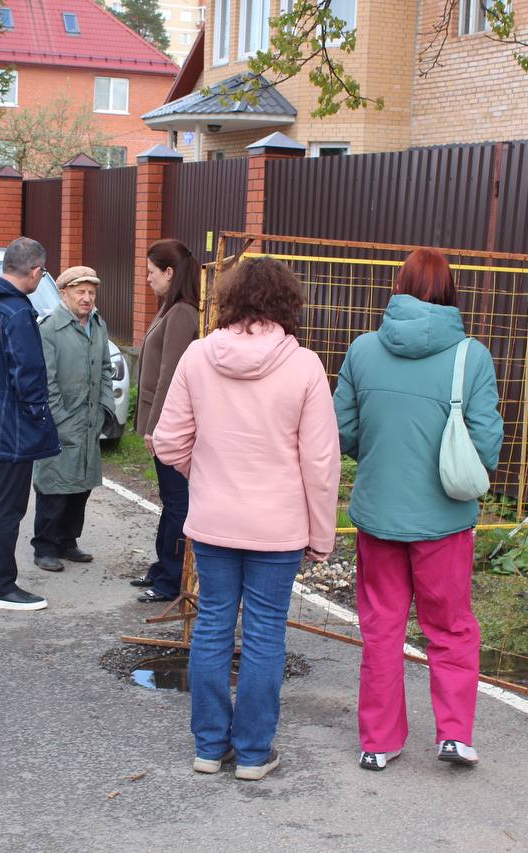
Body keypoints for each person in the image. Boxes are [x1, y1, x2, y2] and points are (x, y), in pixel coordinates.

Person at [154, 256, 340, 782]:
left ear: (229, 301)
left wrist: (207, 473)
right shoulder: (304, 365)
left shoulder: (196, 356)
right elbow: (320, 463)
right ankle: (254, 755)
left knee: (213, 625)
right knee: (263, 634)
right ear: (288, 303)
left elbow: (168, 441)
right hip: (278, 527)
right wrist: (321, 535)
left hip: (213, 519)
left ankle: (209, 748)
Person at [332, 248, 504, 772]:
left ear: (399, 286)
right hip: (445, 521)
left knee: (381, 628)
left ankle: (378, 742)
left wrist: (381, 456)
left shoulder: (362, 350)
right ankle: (454, 735)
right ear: (451, 290)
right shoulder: (470, 356)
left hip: (378, 513)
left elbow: (342, 428)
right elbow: (487, 443)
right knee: (449, 627)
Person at [0, 237, 59, 611]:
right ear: (36, 271)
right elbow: (29, 372)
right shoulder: (18, 312)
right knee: (8, 504)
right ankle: (1, 587)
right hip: (12, 418)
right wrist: (39, 416)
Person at [30, 266, 115, 572]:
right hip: (61, 421)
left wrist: (106, 406)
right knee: (55, 483)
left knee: (81, 484)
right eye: (80, 291)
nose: (87, 298)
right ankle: (45, 547)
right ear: (63, 293)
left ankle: (68, 542)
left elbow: (106, 368)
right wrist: (60, 420)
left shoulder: (97, 323)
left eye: (91, 292)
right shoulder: (50, 328)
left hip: (91, 418)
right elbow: (46, 381)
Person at [133, 239, 200, 603]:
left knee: (177, 503)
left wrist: (156, 427)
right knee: (170, 499)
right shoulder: (169, 309)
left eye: (151, 272)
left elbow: (169, 375)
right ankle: (162, 568)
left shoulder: (182, 313)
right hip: (161, 423)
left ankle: (172, 578)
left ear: (169, 273)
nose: (147, 278)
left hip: (169, 427)